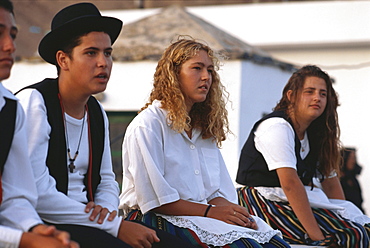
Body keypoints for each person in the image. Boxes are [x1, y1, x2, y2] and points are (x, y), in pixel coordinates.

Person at [16, 3, 195, 248]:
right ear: (63, 59)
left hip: (92, 221)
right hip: (46, 225)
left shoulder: (96, 110)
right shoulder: (35, 103)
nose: (104, 62)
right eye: (91, 53)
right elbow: (37, 192)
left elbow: (107, 179)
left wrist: (106, 212)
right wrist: (113, 225)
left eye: (108, 53)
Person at [119, 37, 290, 248]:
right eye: (197, 68)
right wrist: (211, 212)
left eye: (210, 70)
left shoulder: (202, 128)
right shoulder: (148, 125)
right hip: (156, 218)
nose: (206, 77)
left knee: (274, 243)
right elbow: (156, 201)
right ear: (174, 74)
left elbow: (212, 192)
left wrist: (235, 213)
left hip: (201, 214)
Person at [236, 65, 370, 247]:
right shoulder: (277, 127)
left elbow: (330, 183)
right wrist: (317, 237)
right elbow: (290, 183)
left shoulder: (316, 133)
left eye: (323, 94)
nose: (317, 98)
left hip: (294, 200)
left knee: (364, 228)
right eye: (309, 91)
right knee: (349, 235)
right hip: (264, 201)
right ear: (291, 96)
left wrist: (343, 214)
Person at [0, 0, 79, 247]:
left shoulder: (9, 107)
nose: (10, 46)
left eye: (13, 35)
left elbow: (15, 196)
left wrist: (35, 228)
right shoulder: (31, 101)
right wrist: (25, 239)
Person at [340, 147, 365, 213]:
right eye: (351, 158)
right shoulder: (337, 180)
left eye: (354, 158)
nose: (353, 161)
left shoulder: (353, 179)